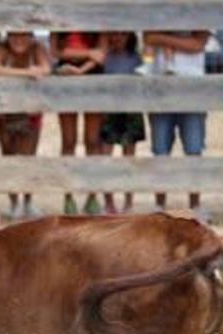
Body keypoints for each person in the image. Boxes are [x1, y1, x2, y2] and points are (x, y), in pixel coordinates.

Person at [143, 30, 211, 219]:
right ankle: (159, 206)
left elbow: (198, 44)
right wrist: (181, 41)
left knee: (193, 149)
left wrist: (161, 38)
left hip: (192, 89)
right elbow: (147, 38)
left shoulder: (198, 9)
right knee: (160, 150)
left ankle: (195, 206)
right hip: (160, 88)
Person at [0, 31, 51, 219]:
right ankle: (14, 202)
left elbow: (46, 68)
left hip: (30, 111)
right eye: (14, 35)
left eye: (24, 35)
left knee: (28, 156)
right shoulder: (2, 48)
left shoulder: (37, 48)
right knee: (9, 154)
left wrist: (30, 72)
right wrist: (27, 73)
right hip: (5, 112)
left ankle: (28, 201)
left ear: (31, 36)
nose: (19, 40)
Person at [51, 31, 105, 215]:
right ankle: (68, 196)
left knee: (92, 140)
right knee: (68, 140)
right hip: (66, 76)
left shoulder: (95, 19)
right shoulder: (60, 21)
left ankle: (92, 196)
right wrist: (89, 54)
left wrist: (81, 69)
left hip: (92, 75)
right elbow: (55, 52)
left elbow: (102, 54)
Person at [98, 32, 145, 214]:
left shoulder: (136, 58)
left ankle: (128, 203)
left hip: (130, 111)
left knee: (129, 159)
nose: (117, 38)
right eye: (115, 35)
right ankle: (108, 202)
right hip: (108, 111)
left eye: (122, 35)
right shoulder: (105, 57)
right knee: (106, 159)